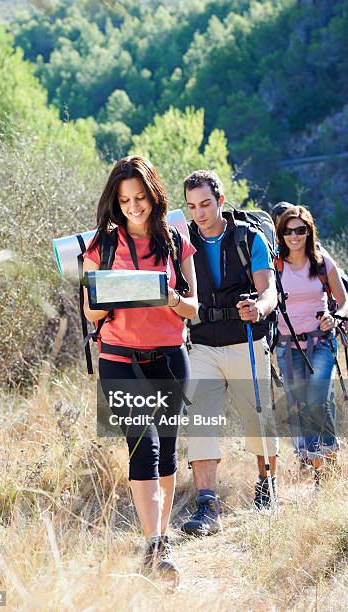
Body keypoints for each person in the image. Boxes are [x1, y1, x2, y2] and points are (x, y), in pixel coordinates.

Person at [83, 156, 198, 578]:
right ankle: (153, 548)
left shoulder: (175, 240)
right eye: (125, 199)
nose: (134, 206)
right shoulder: (102, 246)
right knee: (143, 447)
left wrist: (169, 298)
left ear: (154, 195)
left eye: (141, 197)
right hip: (120, 359)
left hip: (169, 356)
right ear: (116, 201)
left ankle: (161, 539)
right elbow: (90, 313)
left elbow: (194, 308)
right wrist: (114, 294)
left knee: (167, 449)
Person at [181, 170, 279, 537]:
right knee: (202, 421)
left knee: (258, 416)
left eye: (205, 204)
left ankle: (266, 486)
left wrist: (261, 308)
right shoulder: (183, 241)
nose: (199, 213)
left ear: (220, 201)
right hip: (202, 344)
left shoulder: (248, 237)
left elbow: (267, 289)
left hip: (246, 340)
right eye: (192, 207)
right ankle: (206, 504)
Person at [275, 205, 347, 477]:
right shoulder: (275, 265)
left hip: (322, 342)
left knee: (317, 397)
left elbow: (344, 300)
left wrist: (336, 317)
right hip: (288, 346)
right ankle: (320, 467)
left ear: (309, 231)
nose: (294, 236)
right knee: (302, 403)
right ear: (281, 234)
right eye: (288, 231)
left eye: (300, 230)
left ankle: (327, 454)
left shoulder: (321, 262)